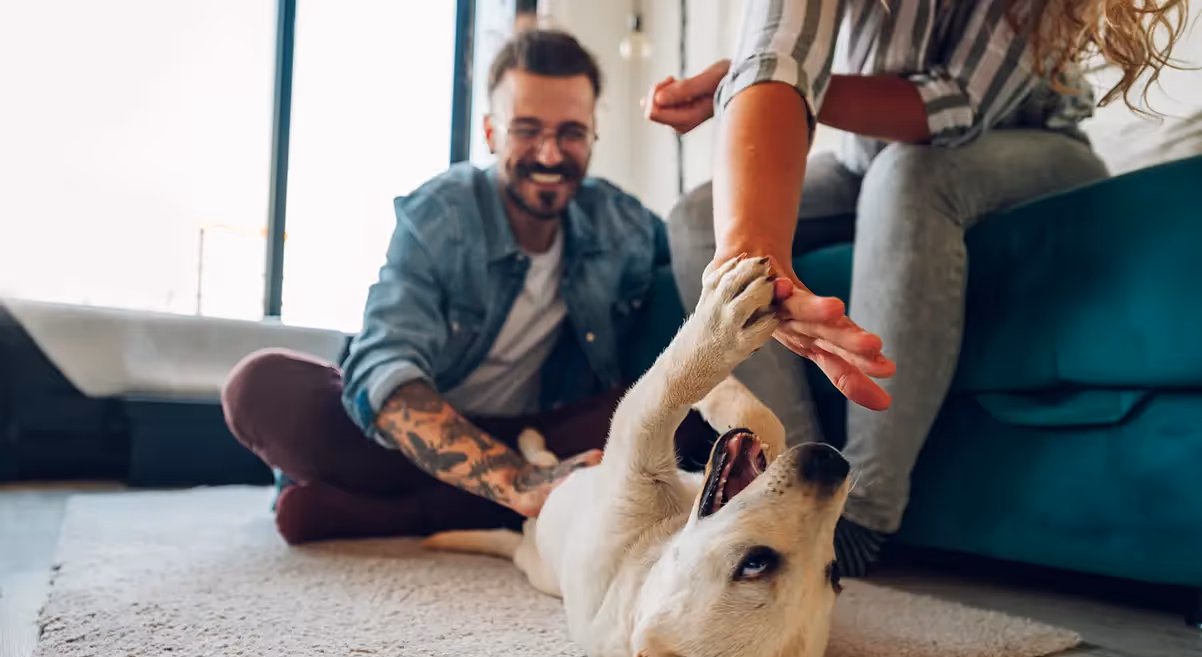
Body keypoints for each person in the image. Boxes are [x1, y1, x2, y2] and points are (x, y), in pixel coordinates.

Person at [647, 0, 1189, 575]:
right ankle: (795, 486)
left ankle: (864, 514)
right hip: (872, 156)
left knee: (908, 177)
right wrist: (753, 248)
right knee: (695, 216)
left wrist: (787, 75)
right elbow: (775, 54)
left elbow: (950, 104)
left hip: (1028, 147)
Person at [222, 29, 706, 544]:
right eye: (526, 130)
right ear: (491, 133)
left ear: (593, 133)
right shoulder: (440, 216)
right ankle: (491, 506)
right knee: (259, 386)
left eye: (571, 132)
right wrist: (516, 481)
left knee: (692, 418)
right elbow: (381, 370)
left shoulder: (621, 223)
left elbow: (704, 267)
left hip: (541, 435)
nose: (548, 155)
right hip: (415, 440)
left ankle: (396, 516)